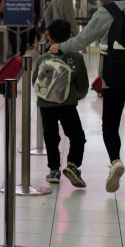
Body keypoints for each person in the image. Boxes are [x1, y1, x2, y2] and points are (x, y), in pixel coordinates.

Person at [49, 0, 125, 196]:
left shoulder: (107, 11)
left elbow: (82, 40)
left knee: (110, 124)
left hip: (112, 78)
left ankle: (115, 161)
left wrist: (59, 47)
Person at [34, 19, 89, 187]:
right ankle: (72, 164)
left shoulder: (42, 59)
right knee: (77, 136)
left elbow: (35, 81)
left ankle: (54, 171)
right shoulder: (76, 58)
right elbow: (83, 86)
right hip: (68, 105)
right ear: (71, 37)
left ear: (49, 38)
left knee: (51, 137)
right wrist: (75, 96)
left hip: (45, 105)